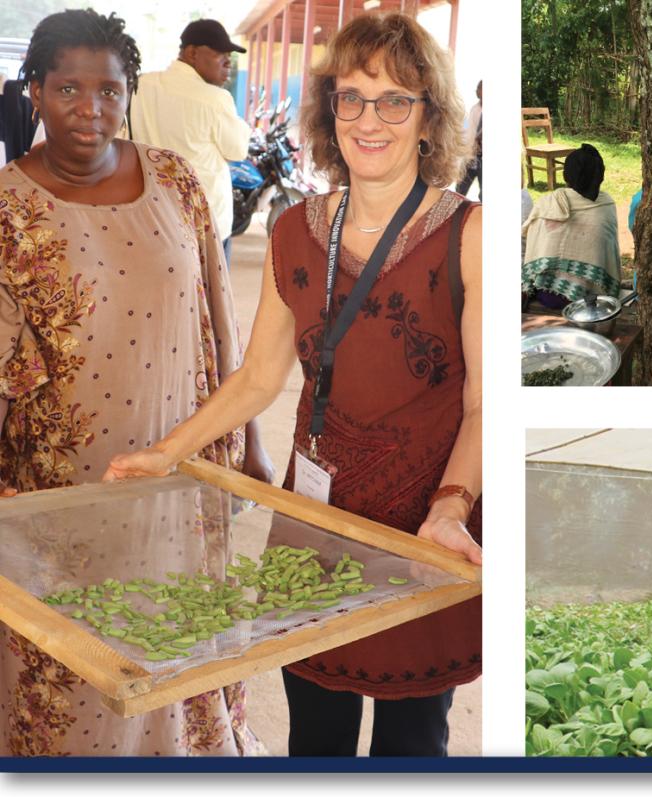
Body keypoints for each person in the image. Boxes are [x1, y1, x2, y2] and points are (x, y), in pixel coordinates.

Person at [106, 11, 483, 757]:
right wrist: (167, 451)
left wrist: (452, 505)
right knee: (315, 730)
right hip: (315, 519)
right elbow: (257, 379)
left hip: (423, 528)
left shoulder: (467, 234)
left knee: (414, 739)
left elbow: (484, 402)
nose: (369, 120)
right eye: (351, 97)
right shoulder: (292, 232)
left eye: (394, 100)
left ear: (429, 119)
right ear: (328, 109)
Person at [0, 9, 263, 756]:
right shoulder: (6, 208)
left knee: (176, 637)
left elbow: (219, 311)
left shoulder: (175, 178)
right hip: (65, 488)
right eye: (68, 89)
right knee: (78, 661)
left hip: (183, 470)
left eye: (109, 91)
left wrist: (244, 439)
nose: (91, 109)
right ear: (34, 94)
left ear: (130, 94)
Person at [128, 19, 250, 258]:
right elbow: (238, 150)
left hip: (153, 218)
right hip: (204, 225)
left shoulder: (140, 85)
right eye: (221, 54)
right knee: (209, 295)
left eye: (230, 57)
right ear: (192, 52)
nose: (228, 63)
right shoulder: (215, 99)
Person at [521, 143, 621, 309]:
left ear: (566, 175)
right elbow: (609, 253)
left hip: (546, 294)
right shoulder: (606, 206)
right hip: (589, 299)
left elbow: (532, 245)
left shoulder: (546, 203)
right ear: (599, 177)